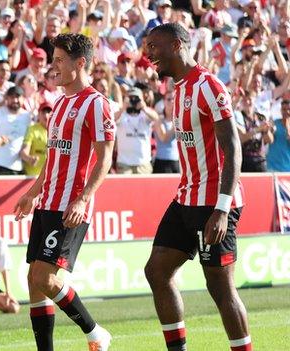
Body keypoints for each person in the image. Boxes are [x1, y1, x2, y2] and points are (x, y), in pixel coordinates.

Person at [144, 23, 251, 351]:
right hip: (186, 196)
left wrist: (221, 208)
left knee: (219, 287)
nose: (149, 56)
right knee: (157, 270)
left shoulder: (208, 85)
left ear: (177, 45)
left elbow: (232, 147)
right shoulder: (179, 89)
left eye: (155, 47)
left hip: (215, 202)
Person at [13, 33, 114, 351]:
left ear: (80, 63)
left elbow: (105, 157)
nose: (53, 66)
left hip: (70, 205)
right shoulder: (59, 104)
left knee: (46, 278)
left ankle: (96, 332)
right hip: (47, 203)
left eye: (58, 60)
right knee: (34, 281)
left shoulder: (96, 104)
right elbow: (53, 158)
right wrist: (32, 192)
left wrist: (83, 199)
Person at [0, 86, 32, 176]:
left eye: (18, 97)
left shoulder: (27, 116)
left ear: (23, 98)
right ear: (6, 98)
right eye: (12, 97)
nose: (15, 100)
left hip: (16, 167)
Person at [115, 87, 160, 174]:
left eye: (136, 98)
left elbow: (156, 118)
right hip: (124, 163)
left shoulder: (145, 114)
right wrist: (123, 108)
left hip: (143, 163)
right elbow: (112, 119)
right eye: (130, 98)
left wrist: (144, 107)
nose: (133, 100)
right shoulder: (122, 115)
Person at [20, 101, 50, 176]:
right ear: (38, 114)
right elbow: (23, 152)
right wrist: (29, 159)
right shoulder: (32, 129)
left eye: (49, 112)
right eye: (43, 112)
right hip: (32, 177)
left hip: (51, 178)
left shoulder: (58, 130)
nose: (46, 115)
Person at [266, 98, 290, 172]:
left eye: (288, 109)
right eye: (284, 109)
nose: (286, 112)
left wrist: (287, 128)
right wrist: (267, 131)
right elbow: (268, 140)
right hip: (272, 166)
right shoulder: (275, 123)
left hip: (287, 168)